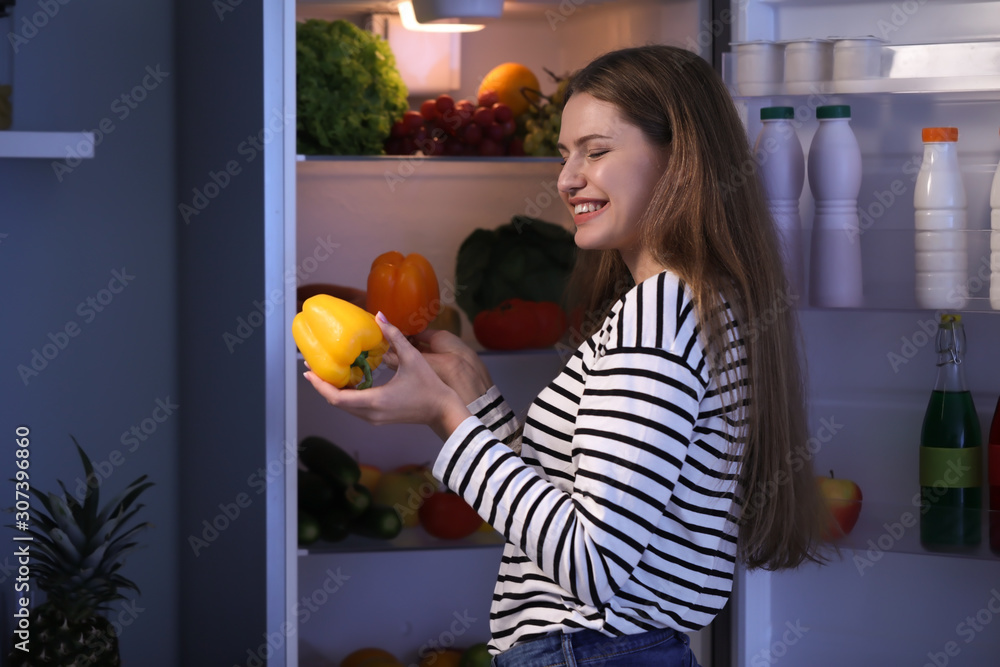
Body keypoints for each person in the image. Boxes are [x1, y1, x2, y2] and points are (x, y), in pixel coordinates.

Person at [303, 44, 827, 667]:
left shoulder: (656, 317)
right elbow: (579, 508)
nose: (567, 178)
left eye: (597, 151)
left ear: (679, 160)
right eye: (564, 154)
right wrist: (474, 397)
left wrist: (445, 422)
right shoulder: (705, 303)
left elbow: (592, 563)